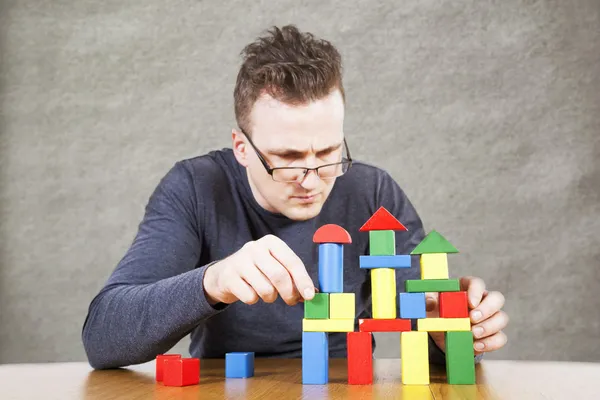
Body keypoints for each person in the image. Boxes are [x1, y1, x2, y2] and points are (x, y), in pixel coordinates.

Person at [82, 24, 508, 370]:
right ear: (242, 147)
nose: (312, 180)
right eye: (287, 159)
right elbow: (103, 339)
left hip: (346, 385)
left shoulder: (372, 191)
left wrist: (457, 331)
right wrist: (214, 281)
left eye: (327, 154)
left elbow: (429, 326)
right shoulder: (195, 188)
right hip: (228, 385)